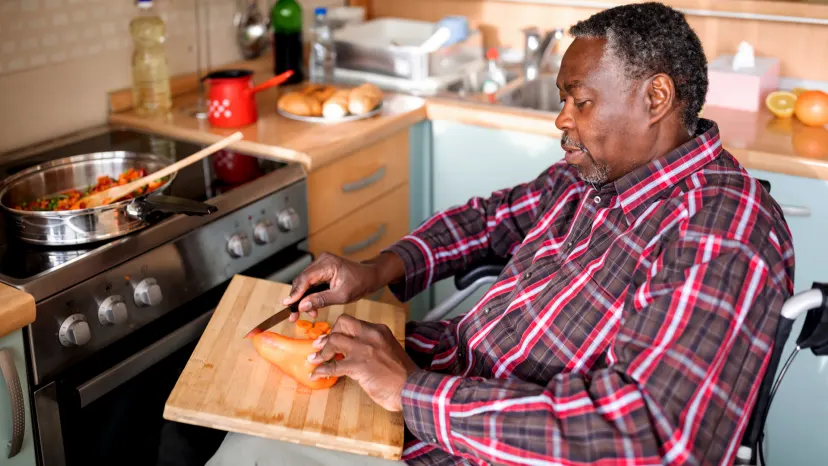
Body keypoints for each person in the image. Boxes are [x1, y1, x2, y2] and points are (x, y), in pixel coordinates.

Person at [206, 2, 795, 465]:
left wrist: (409, 391)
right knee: (232, 422)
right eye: (565, 99)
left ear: (656, 98)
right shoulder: (596, 174)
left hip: (460, 440)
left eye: (580, 101)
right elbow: (492, 219)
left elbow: (649, 438)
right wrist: (377, 270)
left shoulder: (722, 228)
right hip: (436, 388)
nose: (562, 119)